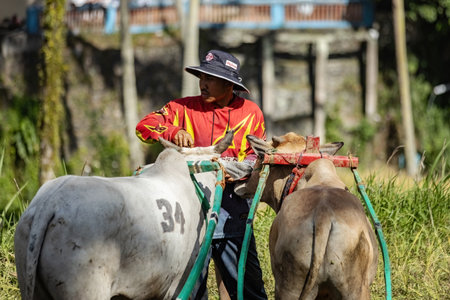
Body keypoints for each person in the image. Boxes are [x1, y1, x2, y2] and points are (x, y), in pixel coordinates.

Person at [135, 49, 267, 299]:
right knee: (190, 293)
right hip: (190, 216)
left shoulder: (251, 113)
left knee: (249, 291)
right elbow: (143, 127)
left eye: (210, 78)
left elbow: (256, 157)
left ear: (229, 84)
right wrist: (173, 132)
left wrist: (234, 170)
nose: (203, 84)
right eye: (201, 77)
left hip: (233, 213)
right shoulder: (182, 108)